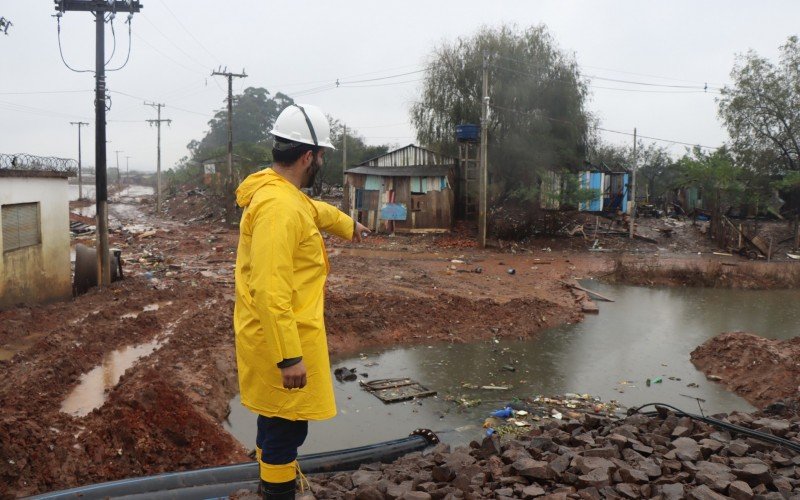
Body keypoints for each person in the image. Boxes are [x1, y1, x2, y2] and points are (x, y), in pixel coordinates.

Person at [233, 103, 369, 499]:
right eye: (321, 156)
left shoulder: (279, 193)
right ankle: (277, 491)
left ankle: (269, 483)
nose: (320, 163)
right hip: (279, 339)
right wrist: (289, 357)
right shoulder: (278, 208)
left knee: (275, 418)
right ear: (308, 156)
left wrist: (349, 226)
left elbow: (314, 210)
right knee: (285, 428)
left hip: (272, 335)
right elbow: (271, 288)